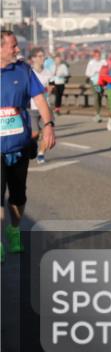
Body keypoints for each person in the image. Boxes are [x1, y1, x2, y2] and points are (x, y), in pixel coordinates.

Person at [1, 31, 56, 263]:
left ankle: (14, 230)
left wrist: (49, 125)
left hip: (20, 144)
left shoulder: (23, 71)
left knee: (18, 195)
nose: (17, 50)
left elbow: (41, 100)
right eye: (13, 46)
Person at [27, 49, 53, 164]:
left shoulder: (48, 72)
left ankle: (41, 153)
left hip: (46, 107)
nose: (42, 58)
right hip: (32, 107)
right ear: (33, 58)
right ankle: (33, 146)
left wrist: (51, 88)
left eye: (43, 56)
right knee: (35, 133)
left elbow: (52, 85)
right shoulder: (29, 72)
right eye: (39, 56)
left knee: (46, 132)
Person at [84, 49, 105, 122]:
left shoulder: (103, 62)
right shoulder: (91, 63)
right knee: (96, 96)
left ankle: (97, 111)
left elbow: (107, 70)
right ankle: (97, 113)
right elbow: (87, 73)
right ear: (94, 56)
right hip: (94, 82)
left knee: (99, 96)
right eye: (96, 56)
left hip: (101, 82)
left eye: (98, 55)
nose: (97, 57)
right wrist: (94, 72)